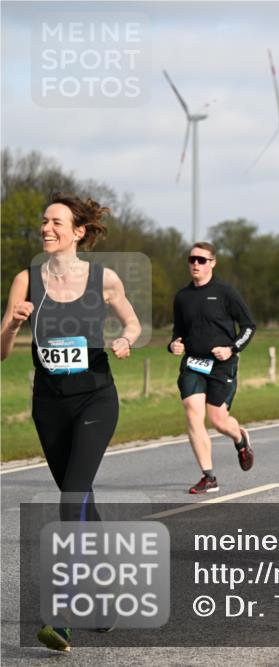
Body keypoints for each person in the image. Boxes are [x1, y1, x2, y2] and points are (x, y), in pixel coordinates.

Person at [0, 193, 142, 652]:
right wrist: (13, 326)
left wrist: (125, 340)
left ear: (78, 232)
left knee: (71, 499)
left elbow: (134, 325)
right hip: (49, 404)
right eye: (44, 221)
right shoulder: (26, 280)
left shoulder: (104, 279)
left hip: (95, 400)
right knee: (81, 501)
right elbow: (0, 351)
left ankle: (61, 615)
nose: (47, 227)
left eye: (56, 221)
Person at [168, 242, 256, 494]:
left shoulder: (225, 292)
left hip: (221, 366)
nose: (196, 264)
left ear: (212, 263)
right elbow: (178, 332)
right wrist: (174, 344)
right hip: (193, 364)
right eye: (192, 259)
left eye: (202, 260)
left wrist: (232, 349)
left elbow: (249, 326)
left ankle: (240, 439)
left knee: (218, 421)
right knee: (192, 411)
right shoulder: (182, 297)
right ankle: (208, 476)